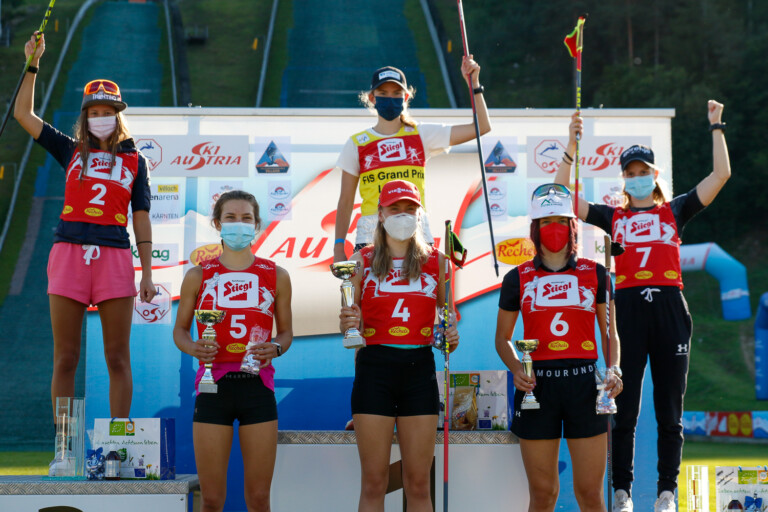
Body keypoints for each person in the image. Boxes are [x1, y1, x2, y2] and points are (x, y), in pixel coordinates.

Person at [554, 101, 731, 512]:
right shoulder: (613, 217)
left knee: (670, 409)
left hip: (669, 308)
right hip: (629, 310)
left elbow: (720, 175)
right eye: (630, 174)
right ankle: (623, 493)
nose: (637, 179)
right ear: (623, 179)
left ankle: (667, 493)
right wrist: (571, 145)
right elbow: (561, 196)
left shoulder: (675, 210)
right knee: (624, 409)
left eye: (642, 172)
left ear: (654, 175)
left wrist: (716, 126)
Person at [14, 32, 156, 419]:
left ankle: (119, 440)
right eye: (94, 112)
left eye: (108, 111)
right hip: (69, 254)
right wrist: (32, 63)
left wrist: (146, 272)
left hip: (114, 257)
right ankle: (63, 444)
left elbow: (141, 216)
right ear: (85, 116)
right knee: (65, 358)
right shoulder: (70, 149)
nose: (101, 118)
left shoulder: (136, 161)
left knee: (118, 358)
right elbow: (23, 115)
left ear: (118, 116)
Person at [495, 183, 622, 512]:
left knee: (590, 494)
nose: (554, 228)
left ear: (572, 226)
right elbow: (503, 338)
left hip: (585, 384)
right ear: (535, 228)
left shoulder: (597, 273)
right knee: (543, 494)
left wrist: (614, 369)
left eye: (562, 221)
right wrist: (517, 368)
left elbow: (610, 333)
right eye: (546, 221)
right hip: (537, 386)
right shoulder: (516, 277)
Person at [339, 180, 459, 511]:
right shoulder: (360, 261)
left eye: (410, 209)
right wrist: (348, 323)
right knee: (374, 482)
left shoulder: (439, 263)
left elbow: (447, 326)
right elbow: (349, 327)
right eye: (395, 209)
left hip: (419, 371)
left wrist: (450, 337)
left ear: (420, 215)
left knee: (418, 483)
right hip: (374, 371)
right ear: (380, 214)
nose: (402, 215)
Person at [173, 190, 293, 512]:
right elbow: (180, 331)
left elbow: (286, 333)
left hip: (258, 387)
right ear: (217, 224)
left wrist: (276, 347)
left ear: (256, 225)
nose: (239, 224)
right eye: (230, 218)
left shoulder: (276, 275)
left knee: (259, 499)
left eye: (246, 218)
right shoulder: (198, 275)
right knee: (212, 500)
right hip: (212, 388)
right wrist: (194, 348)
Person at [333, 57, 491, 261]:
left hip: (415, 231)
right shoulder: (357, 143)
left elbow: (481, 127)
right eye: (383, 93)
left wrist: (474, 84)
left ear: (406, 97)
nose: (390, 98)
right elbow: (345, 201)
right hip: (371, 233)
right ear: (372, 98)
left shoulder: (421, 133)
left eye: (396, 93)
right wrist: (338, 247)